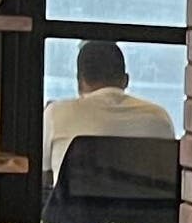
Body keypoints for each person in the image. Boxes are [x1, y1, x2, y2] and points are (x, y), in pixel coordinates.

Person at [41, 40, 175, 182]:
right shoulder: (159, 118)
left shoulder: (56, 114)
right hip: (144, 204)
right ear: (126, 80)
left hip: (78, 204)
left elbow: (42, 173)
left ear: (80, 81)